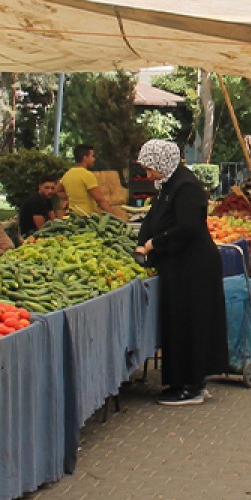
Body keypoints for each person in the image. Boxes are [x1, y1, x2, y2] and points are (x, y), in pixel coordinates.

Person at [135, 139, 229, 406]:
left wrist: (155, 243)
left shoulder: (186, 186)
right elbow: (154, 218)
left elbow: (187, 227)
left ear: (162, 162)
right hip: (179, 266)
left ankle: (192, 385)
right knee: (179, 324)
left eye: (150, 168)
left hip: (194, 267)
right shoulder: (169, 185)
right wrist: (143, 242)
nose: (148, 174)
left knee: (191, 324)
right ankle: (181, 381)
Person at [62, 144, 125, 219]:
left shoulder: (67, 174)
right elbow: (100, 200)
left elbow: (57, 190)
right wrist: (116, 217)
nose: (94, 159)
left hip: (73, 217)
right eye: (92, 156)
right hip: (87, 218)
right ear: (85, 158)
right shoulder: (87, 175)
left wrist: (69, 198)